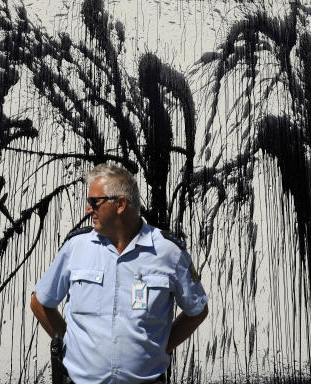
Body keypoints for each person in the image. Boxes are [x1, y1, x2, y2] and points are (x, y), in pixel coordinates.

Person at [30, 162, 209, 384]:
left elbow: (197, 310)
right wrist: (71, 345)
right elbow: (40, 302)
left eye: (94, 202)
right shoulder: (76, 247)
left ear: (121, 204)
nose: (88, 209)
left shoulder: (168, 252)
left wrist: (159, 346)